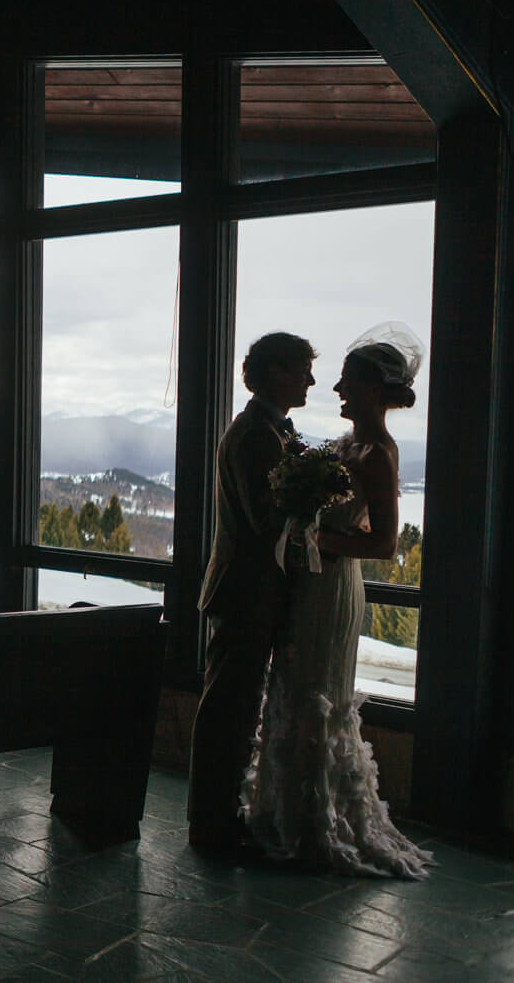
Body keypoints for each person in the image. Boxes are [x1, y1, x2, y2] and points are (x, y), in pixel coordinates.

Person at [242, 324, 432, 878]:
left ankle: (315, 822)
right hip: (311, 585)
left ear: (373, 390)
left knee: (316, 696)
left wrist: (315, 536)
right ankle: (284, 813)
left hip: (335, 587)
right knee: (293, 689)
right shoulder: (345, 447)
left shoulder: (378, 456)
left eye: (346, 382)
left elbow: (385, 544)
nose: (336, 390)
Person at [187, 331, 314, 860]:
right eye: (302, 369)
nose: (310, 380)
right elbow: (265, 522)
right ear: (277, 372)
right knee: (228, 712)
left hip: (250, 591)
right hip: (245, 592)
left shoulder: (267, 430)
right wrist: (311, 495)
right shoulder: (256, 436)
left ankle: (219, 817)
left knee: (235, 710)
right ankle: (211, 827)